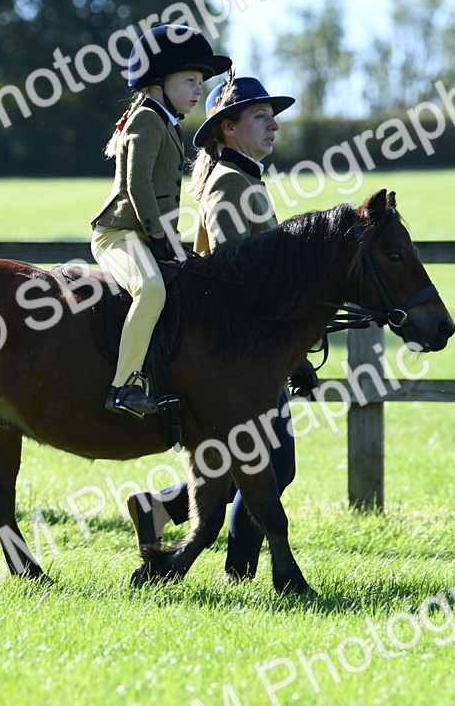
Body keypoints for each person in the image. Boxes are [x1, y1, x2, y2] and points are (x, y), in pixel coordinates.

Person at [126, 73, 318, 580]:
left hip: (252, 348)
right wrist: (286, 345)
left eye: (271, 116)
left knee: (248, 464)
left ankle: (163, 509)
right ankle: (240, 567)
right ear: (228, 128)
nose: (273, 125)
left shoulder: (245, 176)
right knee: (273, 467)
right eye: (260, 116)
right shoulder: (231, 184)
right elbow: (239, 278)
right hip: (241, 353)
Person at [90, 24, 231, 417]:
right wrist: (159, 235)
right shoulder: (147, 120)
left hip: (149, 234)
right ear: (159, 81)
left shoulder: (165, 120)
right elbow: (137, 187)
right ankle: (123, 386)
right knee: (151, 290)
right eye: (190, 80)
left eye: (200, 81)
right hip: (118, 233)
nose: (199, 89)